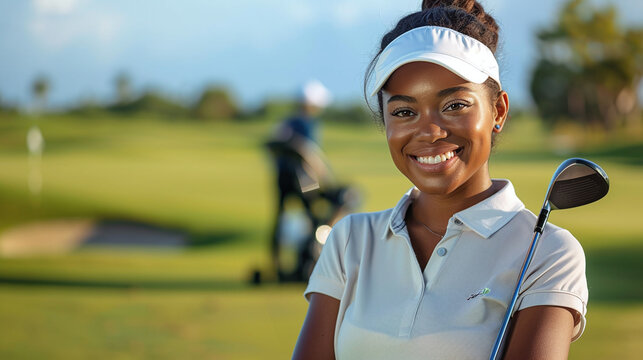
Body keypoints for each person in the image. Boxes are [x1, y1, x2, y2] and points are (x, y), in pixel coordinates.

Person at [293, 1, 588, 359]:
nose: (429, 132)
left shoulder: (547, 252)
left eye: (454, 105)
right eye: (404, 111)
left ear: (498, 111)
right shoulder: (349, 242)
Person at [266, 80, 334, 281]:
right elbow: (307, 151)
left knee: (279, 218)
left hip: (281, 177)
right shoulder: (306, 123)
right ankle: (308, 264)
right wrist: (324, 176)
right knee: (313, 218)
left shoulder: (287, 122)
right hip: (301, 180)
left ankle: (276, 268)